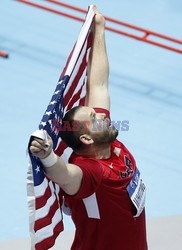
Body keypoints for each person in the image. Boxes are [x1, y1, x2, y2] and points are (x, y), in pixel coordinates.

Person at [30, 6, 148, 250]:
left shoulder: (111, 144)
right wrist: (47, 156)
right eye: (94, 116)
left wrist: (100, 28)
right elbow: (66, 175)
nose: (102, 116)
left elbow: (100, 83)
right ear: (85, 138)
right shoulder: (91, 171)